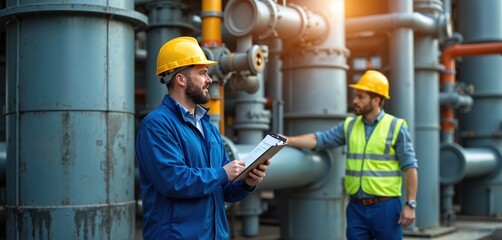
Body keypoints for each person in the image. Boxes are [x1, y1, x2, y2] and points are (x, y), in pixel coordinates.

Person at [135, 36, 270, 239]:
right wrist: (222, 173)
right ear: (181, 79)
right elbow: (173, 181)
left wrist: (246, 182)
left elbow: (224, 190)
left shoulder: (207, 126)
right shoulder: (157, 125)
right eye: (203, 73)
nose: (209, 79)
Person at [283, 70, 418, 240]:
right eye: (355, 96)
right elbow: (320, 139)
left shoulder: (396, 126)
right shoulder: (350, 125)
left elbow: (410, 166)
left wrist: (410, 204)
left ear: (376, 100)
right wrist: (286, 140)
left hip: (386, 207)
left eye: (361, 97)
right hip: (356, 208)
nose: (354, 101)